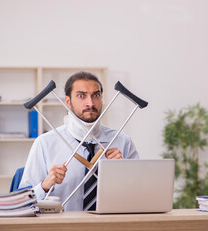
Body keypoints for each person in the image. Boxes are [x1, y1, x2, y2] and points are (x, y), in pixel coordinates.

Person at [19, 71, 139, 211]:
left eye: (96, 95)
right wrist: (44, 186)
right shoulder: (45, 143)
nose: (90, 103)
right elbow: (22, 202)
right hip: (62, 229)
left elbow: (140, 196)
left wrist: (125, 173)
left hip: (111, 227)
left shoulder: (123, 142)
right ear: (68, 102)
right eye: (81, 96)